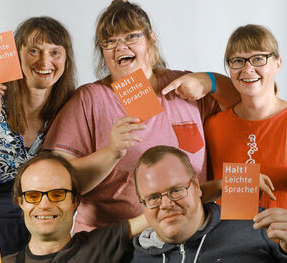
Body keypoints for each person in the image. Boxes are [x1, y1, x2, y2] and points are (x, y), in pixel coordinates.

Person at [42, 0, 240, 234]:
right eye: (110, 42)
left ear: (151, 40)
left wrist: (212, 80)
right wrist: (111, 153)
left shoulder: (184, 86)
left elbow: (244, 105)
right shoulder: (89, 99)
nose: (120, 47)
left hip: (189, 238)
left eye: (130, 37)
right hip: (117, 243)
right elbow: (54, 181)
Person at [0, 17, 76, 256]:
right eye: (34, 51)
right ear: (17, 55)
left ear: (66, 59)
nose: (45, 61)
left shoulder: (70, 105)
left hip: (39, 228)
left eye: (55, 52)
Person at [131, 145, 287, 262]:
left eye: (176, 190)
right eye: (153, 198)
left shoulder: (258, 227)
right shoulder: (135, 254)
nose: (165, 204)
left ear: (197, 187)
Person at [2, 152, 147, 263]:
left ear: (75, 201)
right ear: (21, 202)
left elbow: (156, 212)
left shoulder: (101, 245)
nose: (44, 205)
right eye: (33, 196)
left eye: (57, 195)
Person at [204, 24, 287, 209]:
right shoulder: (213, 126)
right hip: (229, 235)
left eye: (258, 58)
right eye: (238, 61)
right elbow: (200, 192)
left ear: (277, 63)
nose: (248, 69)